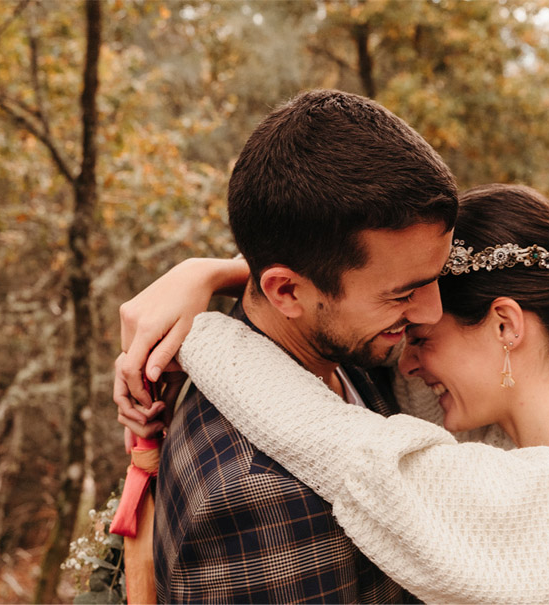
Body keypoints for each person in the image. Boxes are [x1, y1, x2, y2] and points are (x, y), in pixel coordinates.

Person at [119, 184, 549, 603]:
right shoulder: (495, 423)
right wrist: (230, 275)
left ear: (505, 326)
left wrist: (198, 329)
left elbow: (337, 443)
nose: (409, 358)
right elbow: (352, 302)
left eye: (422, 337)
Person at [114, 88, 461, 603]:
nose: (431, 314)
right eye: (403, 294)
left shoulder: (341, 344)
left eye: (435, 277)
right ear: (288, 291)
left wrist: (210, 272)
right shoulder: (254, 493)